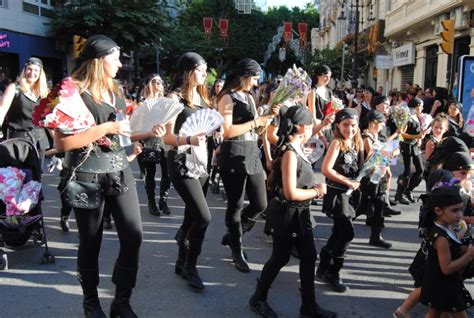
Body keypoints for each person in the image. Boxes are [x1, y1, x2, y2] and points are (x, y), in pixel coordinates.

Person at [54, 35, 165, 318]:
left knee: (134, 236)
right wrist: (106, 129)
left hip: (118, 170)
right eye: (115, 58)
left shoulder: (116, 90)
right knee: (90, 243)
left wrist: (148, 133)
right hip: (86, 174)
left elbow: (122, 131)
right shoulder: (72, 91)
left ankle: (121, 301)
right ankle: (91, 302)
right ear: (98, 60)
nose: (120, 63)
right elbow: (63, 143)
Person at [249, 106, 336, 318]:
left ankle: (309, 306)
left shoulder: (297, 146)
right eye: (310, 125)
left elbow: (310, 132)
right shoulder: (289, 153)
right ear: (301, 127)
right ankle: (258, 298)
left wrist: (323, 124)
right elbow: (290, 193)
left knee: (308, 256)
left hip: (300, 214)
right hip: (287, 214)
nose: (312, 130)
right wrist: (317, 191)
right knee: (279, 258)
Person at [217, 58, 273, 273]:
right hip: (233, 152)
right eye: (254, 77)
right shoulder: (227, 98)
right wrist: (255, 123)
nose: (256, 82)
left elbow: (256, 130)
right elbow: (227, 131)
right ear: (243, 76)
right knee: (236, 204)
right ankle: (237, 250)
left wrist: (265, 121)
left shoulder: (250, 97)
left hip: (252, 152)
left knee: (260, 203)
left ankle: (234, 234)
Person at [164, 52, 212, 290]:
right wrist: (190, 138)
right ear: (187, 71)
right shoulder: (174, 98)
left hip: (202, 161)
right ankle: (190, 266)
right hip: (182, 162)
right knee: (204, 217)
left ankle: (182, 258)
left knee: (192, 216)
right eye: (201, 69)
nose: (205, 73)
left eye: (206, 69)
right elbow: (167, 136)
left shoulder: (202, 96)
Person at [316, 108, 363, 293]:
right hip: (338, 195)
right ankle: (332, 273)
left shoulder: (356, 141)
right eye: (345, 125)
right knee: (347, 233)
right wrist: (347, 182)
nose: (349, 129)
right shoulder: (337, 142)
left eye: (353, 125)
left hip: (350, 195)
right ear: (338, 125)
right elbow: (326, 170)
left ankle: (323, 266)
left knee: (338, 232)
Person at [419, 184, 474, 318]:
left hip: (441, 283)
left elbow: (454, 245)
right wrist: (469, 255)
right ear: (438, 211)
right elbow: (447, 268)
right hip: (444, 285)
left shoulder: (446, 227)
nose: (460, 215)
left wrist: (465, 246)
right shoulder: (441, 237)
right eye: (455, 211)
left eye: (461, 210)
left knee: (435, 313)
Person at [0, 57, 50, 166]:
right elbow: (2, 111)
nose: (32, 73)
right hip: (17, 141)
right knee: (15, 178)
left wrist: (57, 147)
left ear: (41, 73)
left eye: (36, 70)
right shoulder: (14, 88)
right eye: (29, 69)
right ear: (25, 70)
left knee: (36, 179)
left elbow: (49, 120)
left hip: (39, 141)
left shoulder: (44, 94)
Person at [136, 73, 172, 216]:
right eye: (155, 82)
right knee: (149, 174)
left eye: (161, 82)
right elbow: (136, 125)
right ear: (149, 84)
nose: (159, 84)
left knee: (167, 172)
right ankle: (151, 202)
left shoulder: (167, 102)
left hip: (164, 141)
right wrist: (138, 142)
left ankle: (163, 200)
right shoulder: (142, 102)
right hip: (148, 141)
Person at [360, 110, 393, 248]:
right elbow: (369, 158)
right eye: (380, 123)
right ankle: (341, 225)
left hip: (379, 174)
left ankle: (376, 236)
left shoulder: (375, 136)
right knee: (361, 206)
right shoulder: (366, 137)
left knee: (379, 206)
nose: (382, 126)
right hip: (369, 177)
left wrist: (390, 153)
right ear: (373, 123)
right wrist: (387, 153)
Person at [394, 97, 428, 205]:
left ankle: (408, 190)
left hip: (414, 146)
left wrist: (420, 138)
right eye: (421, 105)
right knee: (407, 171)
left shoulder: (416, 116)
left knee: (420, 170)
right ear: (417, 106)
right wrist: (417, 136)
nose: (422, 108)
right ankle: (399, 193)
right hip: (406, 145)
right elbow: (401, 134)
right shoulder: (407, 116)